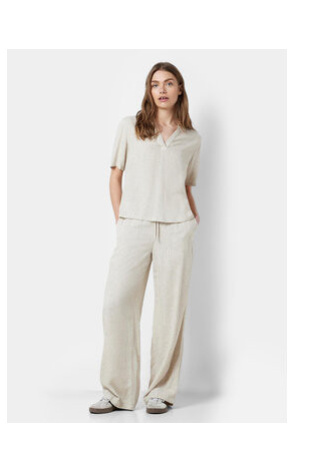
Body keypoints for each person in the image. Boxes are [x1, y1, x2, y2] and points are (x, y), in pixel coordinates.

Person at [89, 62, 202, 415]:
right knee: (116, 305)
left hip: (176, 227)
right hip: (134, 226)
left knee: (170, 310)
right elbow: (115, 176)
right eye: (155, 84)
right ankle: (116, 392)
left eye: (169, 83)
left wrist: (192, 219)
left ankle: (161, 392)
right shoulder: (130, 127)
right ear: (149, 90)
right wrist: (122, 220)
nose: (162, 90)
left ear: (180, 89)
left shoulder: (192, 138)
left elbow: (186, 184)